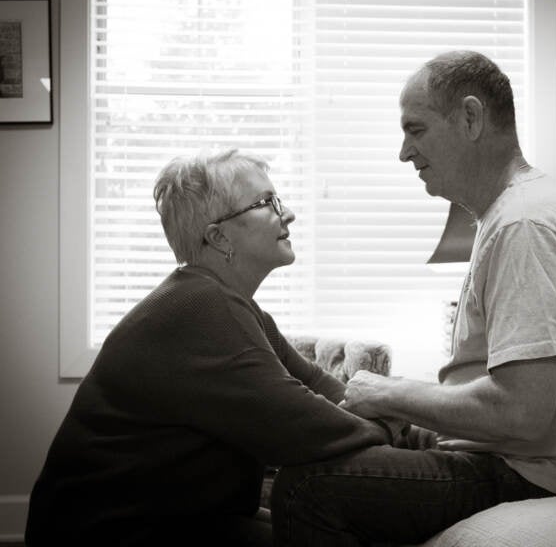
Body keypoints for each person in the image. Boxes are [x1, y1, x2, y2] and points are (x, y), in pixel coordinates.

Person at [270, 51, 556, 547]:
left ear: (470, 118)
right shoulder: (520, 211)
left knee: (306, 488)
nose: (404, 152)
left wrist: (390, 393)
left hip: (552, 475)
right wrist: (411, 409)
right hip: (535, 460)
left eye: (416, 129)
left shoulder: (526, 224)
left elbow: (522, 412)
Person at [24, 149, 397, 547]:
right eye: (266, 203)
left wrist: (406, 416)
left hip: (185, 520)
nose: (287, 213)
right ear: (218, 236)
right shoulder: (200, 307)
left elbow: (325, 388)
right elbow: (309, 429)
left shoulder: (234, 306)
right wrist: (393, 426)